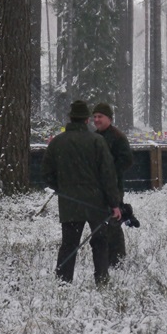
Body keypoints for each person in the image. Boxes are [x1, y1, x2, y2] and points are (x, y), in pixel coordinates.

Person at [41, 100, 122, 286]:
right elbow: (108, 175)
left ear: (70, 118)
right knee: (100, 243)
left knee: (69, 244)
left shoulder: (57, 143)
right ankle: (101, 280)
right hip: (96, 203)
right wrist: (114, 203)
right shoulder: (97, 141)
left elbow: (46, 173)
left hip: (70, 204)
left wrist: (61, 188)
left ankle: (63, 282)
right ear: (87, 120)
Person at [92, 102, 134, 267]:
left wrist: (110, 171)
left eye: (100, 116)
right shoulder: (95, 136)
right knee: (101, 221)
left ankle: (117, 259)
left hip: (114, 187)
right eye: (94, 117)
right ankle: (105, 256)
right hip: (98, 188)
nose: (96, 120)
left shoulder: (117, 137)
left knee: (113, 221)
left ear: (109, 118)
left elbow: (127, 160)